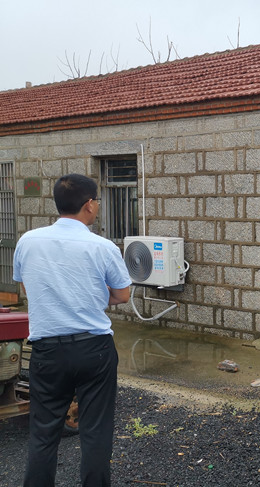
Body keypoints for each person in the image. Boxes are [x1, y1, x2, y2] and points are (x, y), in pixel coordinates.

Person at [13, 173, 132, 487]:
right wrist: (91, 296)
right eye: (97, 202)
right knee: (96, 432)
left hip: (47, 351)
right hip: (94, 349)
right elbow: (122, 295)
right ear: (89, 204)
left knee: (43, 433)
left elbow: (27, 288)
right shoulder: (102, 247)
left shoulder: (28, 241)